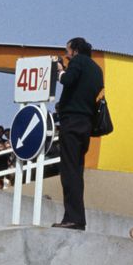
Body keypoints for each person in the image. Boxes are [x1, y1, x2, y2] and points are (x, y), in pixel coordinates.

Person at [53, 37, 104, 230]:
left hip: (72, 123)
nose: (66, 55)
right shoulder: (97, 69)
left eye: (67, 51)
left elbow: (67, 80)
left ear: (74, 50)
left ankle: (73, 218)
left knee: (69, 172)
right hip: (86, 125)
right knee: (77, 172)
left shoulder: (78, 62)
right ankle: (76, 217)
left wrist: (60, 69)